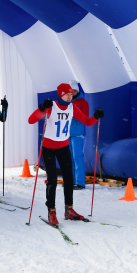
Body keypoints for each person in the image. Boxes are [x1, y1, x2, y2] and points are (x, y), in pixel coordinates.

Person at [28, 83, 105, 225]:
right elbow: (31, 120)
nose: (70, 97)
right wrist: (41, 108)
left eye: (71, 94)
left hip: (63, 147)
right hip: (49, 147)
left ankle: (69, 209)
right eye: (67, 94)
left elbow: (87, 122)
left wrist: (96, 116)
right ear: (60, 94)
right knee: (52, 180)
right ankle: (51, 211)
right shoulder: (51, 106)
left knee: (69, 178)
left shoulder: (72, 108)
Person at [68, 80, 89, 190]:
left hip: (77, 134)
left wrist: (74, 115)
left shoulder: (82, 102)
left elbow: (85, 116)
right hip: (67, 134)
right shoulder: (66, 102)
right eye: (71, 91)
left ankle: (80, 182)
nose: (73, 93)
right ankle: (71, 181)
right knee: (68, 159)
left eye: (75, 91)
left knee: (77, 157)